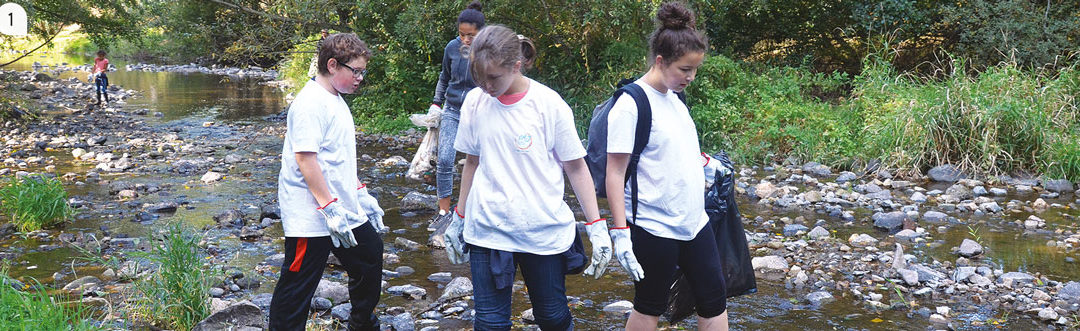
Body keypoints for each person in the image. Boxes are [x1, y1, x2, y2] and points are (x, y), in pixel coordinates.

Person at [442, 25, 611, 330]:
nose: (486, 87)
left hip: (541, 231)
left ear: (516, 66)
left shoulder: (548, 105)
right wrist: (459, 216)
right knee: (490, 323)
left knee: (553, 318)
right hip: (488, 229)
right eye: (479, 78)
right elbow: (472, 162)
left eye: (493, 78)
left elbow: (575, 166)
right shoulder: (475, 102)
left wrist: (597, 225)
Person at [604, 2, 729, 330]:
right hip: (653, 225)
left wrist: (705, 164)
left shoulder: (677, 98)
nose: (691, 77)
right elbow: (615, 173)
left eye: (695, 69)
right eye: (685, 69)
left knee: (714, 300)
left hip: (693, 222)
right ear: (660, 61)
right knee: (650, 306)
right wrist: (619, 234)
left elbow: (673, 150)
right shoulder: (631, 105)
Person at [269, 33, 387, 331]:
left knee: (370, 255)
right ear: (333, 65)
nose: (360, 78)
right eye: (356, 71)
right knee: (298, 282)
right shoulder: (309, 103)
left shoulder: (336, 100)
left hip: (342, 209)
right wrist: (328, 207)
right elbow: (306, 160)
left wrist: (360, 193)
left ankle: (362, 324)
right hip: (312, 214)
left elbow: (337, 160)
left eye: (363, 72)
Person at [431, 0, 485, 215]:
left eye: (470, 35)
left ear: (481, 32)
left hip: (479, 112)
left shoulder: (488, 51)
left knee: (478, 160)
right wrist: (436, 103)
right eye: (462, 34)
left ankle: (472, 208)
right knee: (444, 159)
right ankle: (443, 212)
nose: (465, 39)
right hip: (452, 109)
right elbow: (444, 77)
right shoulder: (452, 48)